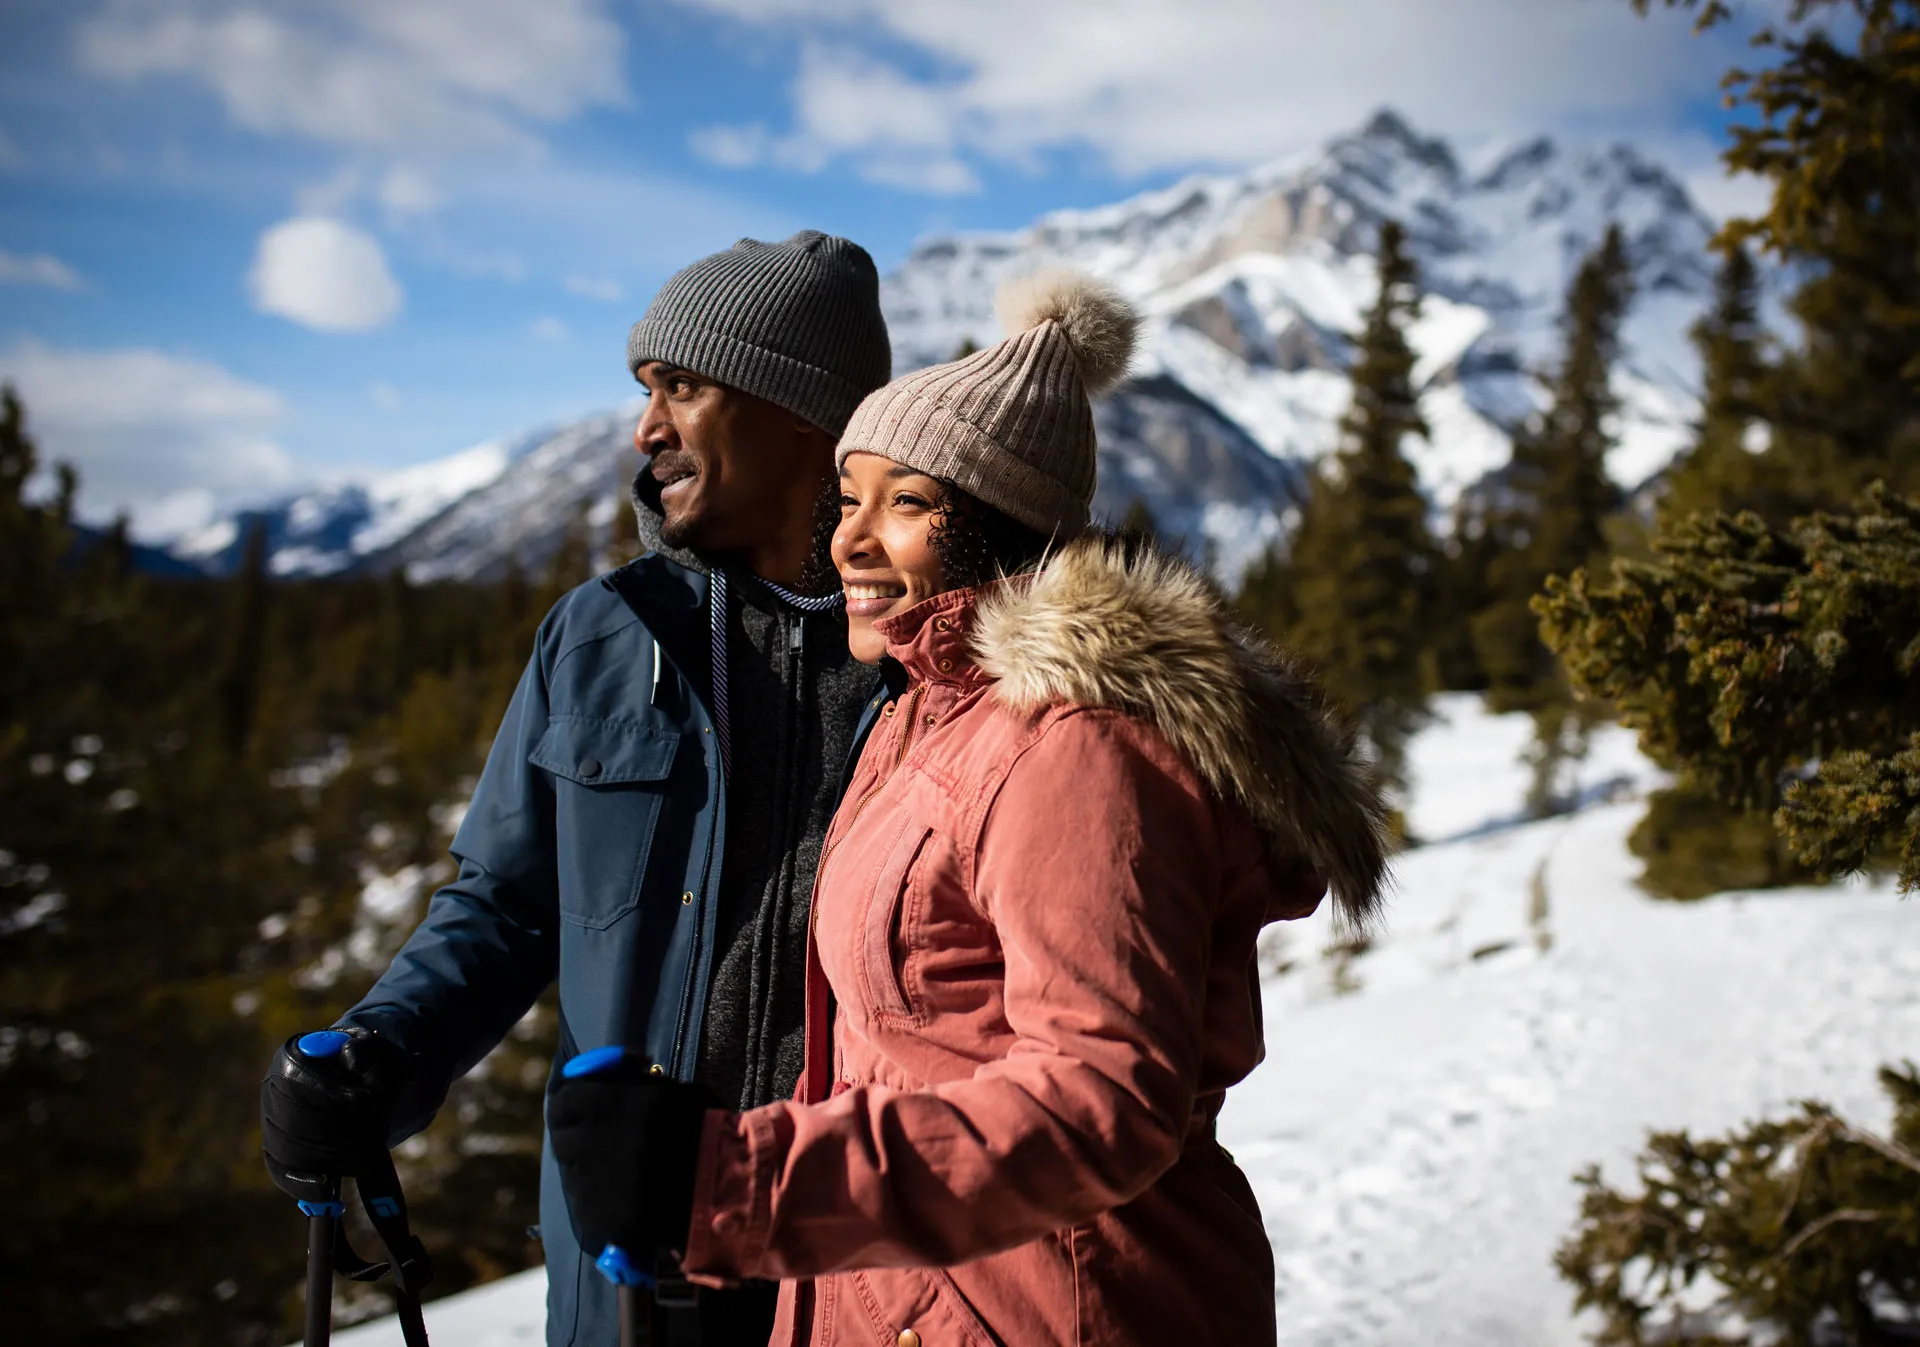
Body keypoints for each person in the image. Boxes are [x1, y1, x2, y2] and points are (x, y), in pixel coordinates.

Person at [546, 271, 1393, 1345]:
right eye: (848, 499)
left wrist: (738, 1184)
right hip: (919, 1294)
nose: (850, 540)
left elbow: (1099, 1098)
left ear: (1005, 527)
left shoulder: (1081, 747)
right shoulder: (924, 718)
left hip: (1050, 1305)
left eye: (907, 503)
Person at [259, 231, 894, 1346]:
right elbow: (504, 905)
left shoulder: (928, 653)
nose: (646, 430)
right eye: (646, 392)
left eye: (682, 389)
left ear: (800, 409)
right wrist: (382, 1053)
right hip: (627, 1263)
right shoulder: (601, 635)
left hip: (860, 1264)